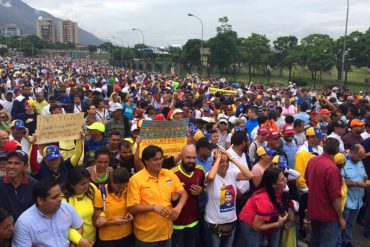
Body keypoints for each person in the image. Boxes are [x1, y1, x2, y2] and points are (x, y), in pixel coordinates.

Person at [127, 145, 188, 247]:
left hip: (167, 234)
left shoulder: (168, 174)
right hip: (147, 238)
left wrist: (178, 208)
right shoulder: (136, 180)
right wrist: (153, 207)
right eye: (155, 159)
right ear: (146, 161)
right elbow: (132, 208)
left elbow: (184, 193)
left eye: (160, 158)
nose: (159, 162)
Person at [12, 177, 90, 247]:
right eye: (55, 197)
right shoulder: (24, 223)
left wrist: (73, 244)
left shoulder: (66, 207)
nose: (60, 199)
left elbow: (79, 226)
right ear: (40, 200)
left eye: (60, 195)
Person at [204, 149, 253, 247]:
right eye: (222, 161)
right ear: (214, 162)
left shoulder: (232, 173)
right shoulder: (210, 174)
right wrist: (218, 159)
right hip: (214, 223)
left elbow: (250, 175)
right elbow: (210, 177)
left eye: (227, 162)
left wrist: (232, 159)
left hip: (231, 222)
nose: (225, 164)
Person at [305, 137, 344, 247]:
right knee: (327, 243)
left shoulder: (312, 161)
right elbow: (335, 197)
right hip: (328, 214)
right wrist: (341, 217)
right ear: (337, 151)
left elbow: (308, 181)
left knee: (315, 241)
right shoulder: (332, 169)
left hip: (314, 210)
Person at [239, 168, 289, 247]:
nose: (286, 180)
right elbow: (256, 227)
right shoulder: (264, 199)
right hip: (249, 223)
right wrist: (278, 223)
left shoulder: (278, 190)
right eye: (282, 180)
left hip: (261, 220)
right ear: (273, 185)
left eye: (285, 177)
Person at [171, 145, 205, 247]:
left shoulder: (200, 170)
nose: (191, 160)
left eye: (194, 158)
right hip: (176, 224)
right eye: (188, 157)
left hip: (194, 222)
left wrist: (201, 190)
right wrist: (170, 196)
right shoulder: (171, 173)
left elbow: (204, 185)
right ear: (181, 157)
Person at [94, 167, 134, 247]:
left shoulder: (128, 189)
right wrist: (113, 223)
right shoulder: (101, 193)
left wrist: (131, 213)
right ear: (111, 181)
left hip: (127, 235)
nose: (122, 189)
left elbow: (132, 207)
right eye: (119, 187)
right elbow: (96, 222)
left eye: (124, 187)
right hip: (108, 240)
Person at [341, 144, 369, 247]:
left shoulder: (359, 161)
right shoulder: (343, 163)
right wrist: (357, 184)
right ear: (351, 152)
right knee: (342, 224)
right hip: (347, 201)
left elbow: (363, 174)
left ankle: (347, 242)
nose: (361, 159)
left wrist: (366, 179)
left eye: (362, 157)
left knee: (350, 224)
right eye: (359, 156)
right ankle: (341, 243)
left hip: (358, 201)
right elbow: (341, 182)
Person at [63, 167, 98, 245]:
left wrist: (102, 216)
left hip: (92, 241)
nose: (87, 185)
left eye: (88, 181)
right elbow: (63, 226)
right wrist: (78, 240)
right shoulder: (64, 200)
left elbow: (99, 207)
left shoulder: (92, 189)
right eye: (82, 184)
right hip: (75, 243)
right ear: (72, 185)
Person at [0, 150, 38, 220]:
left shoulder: (35, 186)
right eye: (9, 163)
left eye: (16, 163)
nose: (11, 166)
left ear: (26, 167)